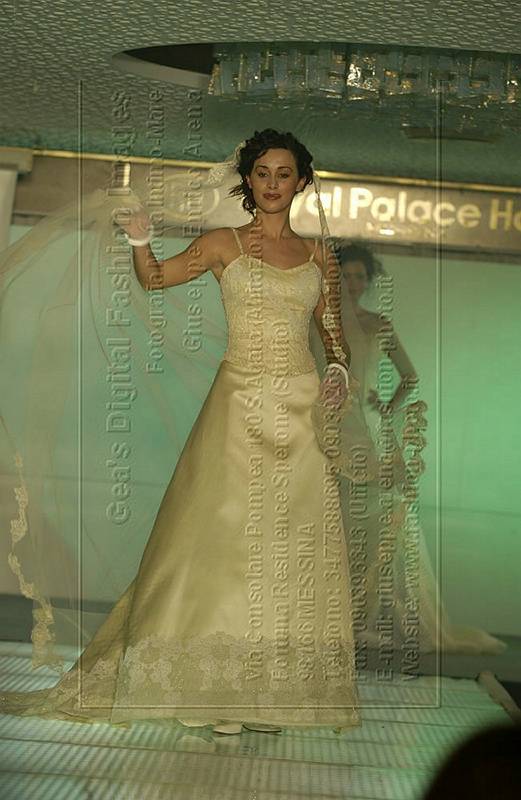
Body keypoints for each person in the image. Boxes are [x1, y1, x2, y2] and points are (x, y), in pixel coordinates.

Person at [0, 128, 366, 734]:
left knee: (291, 548)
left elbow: (334, 338)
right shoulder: (224, 242)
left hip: (301, 412)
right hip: (239, 405)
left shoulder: (319, 256)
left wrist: (337, 372)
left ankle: (270, 692)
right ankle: (212, 690)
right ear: (248, 181)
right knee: (218, 540)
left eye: (284, 174)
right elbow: (155, 279)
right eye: (263, 173)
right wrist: (141, 240)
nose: (273, 184)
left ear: (302, 182)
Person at [310, 240, 506, 661]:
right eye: (347, 276)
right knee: (332, 520)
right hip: (331, 427)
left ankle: (365, 618)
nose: (353, 283)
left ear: (368, 281)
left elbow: (409, 376)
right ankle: (328, 616)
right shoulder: (321, 322)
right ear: (334, 278)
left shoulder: (377, 324)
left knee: (376, 524)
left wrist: (385, 406)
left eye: (360, 276)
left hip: (369, 429)